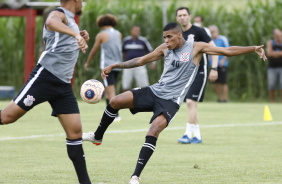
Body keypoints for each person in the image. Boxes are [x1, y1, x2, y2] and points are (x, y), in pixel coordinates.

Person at [82, 22, 266, 184]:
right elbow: (141, 60)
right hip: (155, 91)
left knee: (153, 131)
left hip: (171, 102)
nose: (167, 41)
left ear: (180, 35)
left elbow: (227, 51)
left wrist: (253, 48)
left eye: (169, 37)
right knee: (115, 101)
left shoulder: (196, 48)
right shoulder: (164, 48)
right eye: (164, 38)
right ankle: (98, 136)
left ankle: (135, 177)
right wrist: (115, 65)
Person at [0, 0, 92, 183]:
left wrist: (78, 35)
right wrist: (75, 35)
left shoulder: (71, 20)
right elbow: (50, 22)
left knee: (75, 133)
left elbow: (53, 38)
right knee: (6, 117)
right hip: (46, 77)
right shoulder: (59, 13)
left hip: (63, 86)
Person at [176, 7, 218, 144]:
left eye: (184, 15)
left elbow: (213, 48)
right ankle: (197, 136)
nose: (182, 17)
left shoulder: (199, 31)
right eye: (179, 15)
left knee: (190, 102)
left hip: (199, 72)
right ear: (177, 18)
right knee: (190, 105)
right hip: (186, 75)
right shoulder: (178, 33)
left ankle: (188, 134)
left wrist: (214, 68)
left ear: (189, 16)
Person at [84, 14, 123, 121]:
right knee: (108, 91)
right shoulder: (118, 34)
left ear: (101, 23)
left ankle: (116, 115)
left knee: (111, 92)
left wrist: (87, 63)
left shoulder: (101, 35)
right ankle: (109, 113)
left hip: (107, 67)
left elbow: (93, 51)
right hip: (118, 66)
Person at [122, 25, 155, 91]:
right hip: (128, 65)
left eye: (138, 31)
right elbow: (123, 52)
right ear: (131, 31)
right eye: (135, 31)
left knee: (143, 84)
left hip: (140, 65)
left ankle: (143, 99)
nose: (137, 32)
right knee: (126, 84)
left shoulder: (143, 40)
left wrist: (153, 62)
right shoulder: (126, 40)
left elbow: (150, 52)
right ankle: (126, 100)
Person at [209, 25, 230, 102]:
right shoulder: (210, 40)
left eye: (213, 32)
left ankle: (226, 99)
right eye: (211, 32)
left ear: (217, 31)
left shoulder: (223, 39)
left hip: (221, 64)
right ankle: (220, 98)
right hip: (213, 65)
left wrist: (223, 60)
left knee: (223, 82)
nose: (212, 33)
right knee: (216, 82)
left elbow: (228, 50)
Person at [266, 29, 282, 103]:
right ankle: (272, 101)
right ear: (274, 36)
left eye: (280, 35)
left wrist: (274, 53)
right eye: (277, 36)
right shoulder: (270, 42)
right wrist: (279, 53)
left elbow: (271, 53)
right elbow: (269, 53)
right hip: (272, 68)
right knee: (272, 84)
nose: (279, 37)